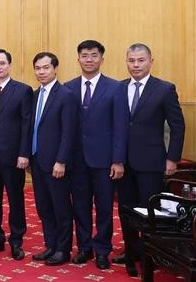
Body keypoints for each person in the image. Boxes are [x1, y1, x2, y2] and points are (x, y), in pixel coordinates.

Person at [116, 43, 185, 277]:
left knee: (148, 212)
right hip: (122, 163)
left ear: (150, 61)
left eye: (140, 60)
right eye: (131, 61)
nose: (135, 65)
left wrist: (172, 157)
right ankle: (130, 251)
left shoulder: (164, 89)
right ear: (126, 62)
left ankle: (149, 255)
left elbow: (177, 125)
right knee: (126, 211)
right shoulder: (119, 88)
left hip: (152, 162)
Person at [64, 40, 129, 270]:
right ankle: (84, 247)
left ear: (102, 58)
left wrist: (118, 159)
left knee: (103, 207)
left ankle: (102, 249)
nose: (89, 59)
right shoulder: (68, 88)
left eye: (93, 55)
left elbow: (121, 126)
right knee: (80, 205)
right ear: (78, 59)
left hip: (104, 161)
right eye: (84, 55)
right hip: (77, 160)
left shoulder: (115, 88)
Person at [0, 49, 32, 261]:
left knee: (15, 199)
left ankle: (17, 240)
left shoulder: (23, 90)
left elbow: (27, 125)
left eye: (2, 63)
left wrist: (24, 153)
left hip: (13, 156)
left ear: (9, 65)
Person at [29, 52, 79, 266]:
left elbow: (69, 132)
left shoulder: (65, 95)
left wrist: (62, 160)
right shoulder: (34, 94)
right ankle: (50, 245)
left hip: (56, 163)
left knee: (61, 209)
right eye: (38, 68)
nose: (41, 72)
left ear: (55, 68)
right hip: (37, 161)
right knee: (43, 207)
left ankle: (63, 250)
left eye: (45, 68)